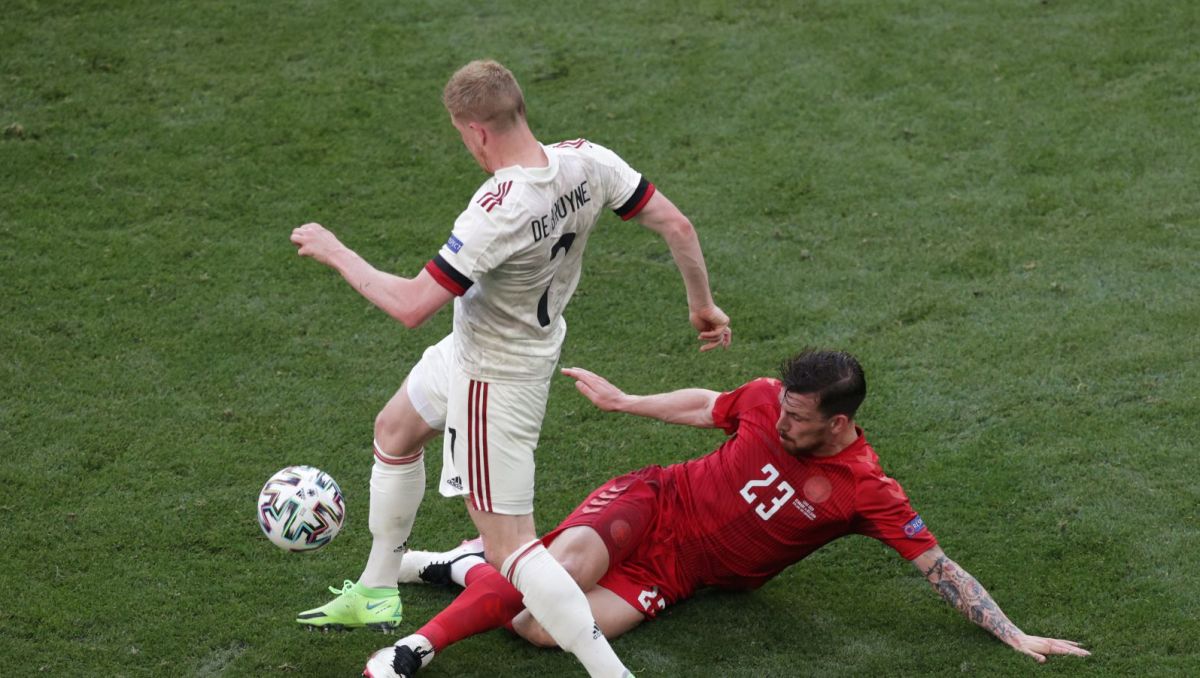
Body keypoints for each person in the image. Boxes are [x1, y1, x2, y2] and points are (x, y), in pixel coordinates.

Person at [290, 59, 731, 678]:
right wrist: (702, 304)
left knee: (512, 548)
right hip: (483, 348)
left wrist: (336, 253)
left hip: (494, 379)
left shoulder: (497, 208)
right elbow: (676, 224)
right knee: (395, 430)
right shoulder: (587, 159)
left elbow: (412, 305)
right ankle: (375, 589)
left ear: (474, 131)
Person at [363, 350, 1089, 676]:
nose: (780, 422)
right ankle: (410, 654)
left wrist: (1014, 632)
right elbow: (708, 405)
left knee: (538, 629)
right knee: (563, 568)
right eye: (781, 407)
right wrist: (626, 401)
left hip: (680, 571)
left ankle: (463, 563)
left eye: (799, 419)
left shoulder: (868, 490)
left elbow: (938, 567)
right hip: (652, 504)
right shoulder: (769, 401)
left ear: (838, 424)